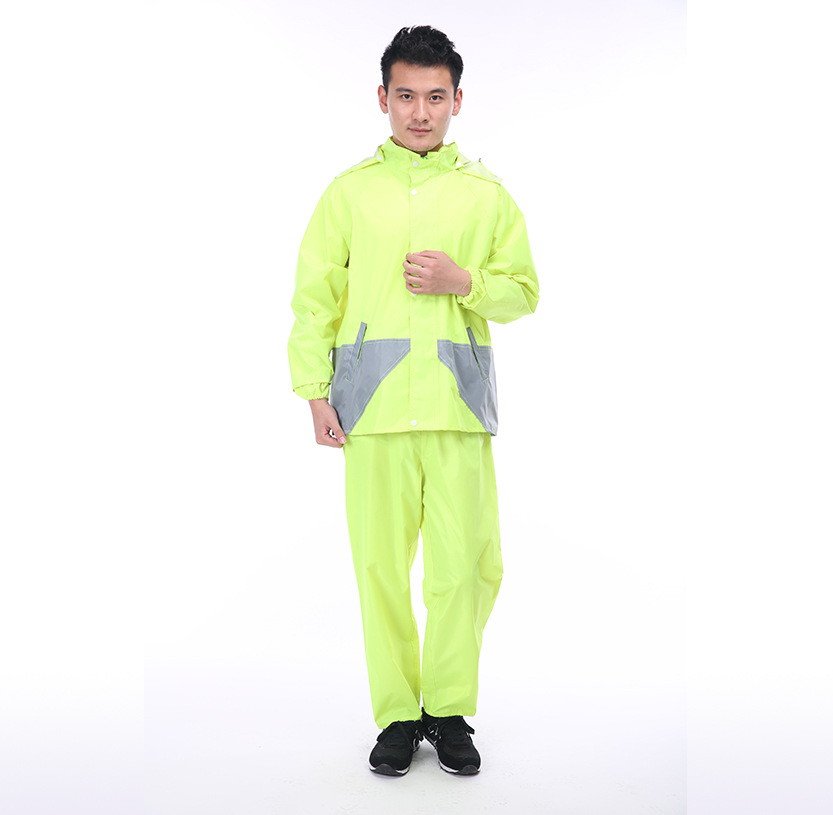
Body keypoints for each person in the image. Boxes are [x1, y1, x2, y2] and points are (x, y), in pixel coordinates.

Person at [287, 25, 539, 776]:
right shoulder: (349, 193)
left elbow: (523, 292)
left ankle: (448, 709)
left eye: (435, 96)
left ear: (457, 100)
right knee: (380, 570)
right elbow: (314, 300)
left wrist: (465, 283)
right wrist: (313, 392)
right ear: (382, 98)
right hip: (372, 408)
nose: (420, 111)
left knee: (467, 569)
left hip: (458, 408)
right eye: (406, 95)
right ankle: (398, 714)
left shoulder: (487, 195)